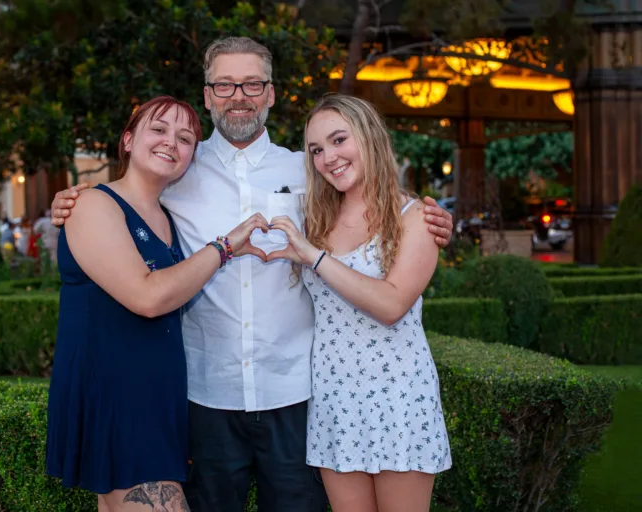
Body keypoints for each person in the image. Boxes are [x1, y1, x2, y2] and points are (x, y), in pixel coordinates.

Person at [50, 37, 454, 512]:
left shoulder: (310, 169)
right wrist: (74, 200)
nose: (238, 95)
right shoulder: (177, 165)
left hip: (296, 391)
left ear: (271, 94)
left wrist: (430, 220)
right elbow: (127, 205)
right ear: (207, 95)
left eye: (251, 84)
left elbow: (369, 197)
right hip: (206, 392)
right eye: (224, 84)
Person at [45, 95, 269, 512]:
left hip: (157, 396)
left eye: (186, 138)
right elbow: (147, 297)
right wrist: (225, 245)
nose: (172, 142)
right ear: (128, 140)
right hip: (117, 394)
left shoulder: (168, 215)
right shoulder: (93, 204)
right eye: (159, 129)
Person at [266, 94, 451, 511]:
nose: (328, 157)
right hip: (334, 399)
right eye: (316, 150)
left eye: (338, 140)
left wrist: (313, 256)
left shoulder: (415, 217)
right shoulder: (313, 218)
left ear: (368, 137)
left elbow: (391, 305)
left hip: (400, 398)